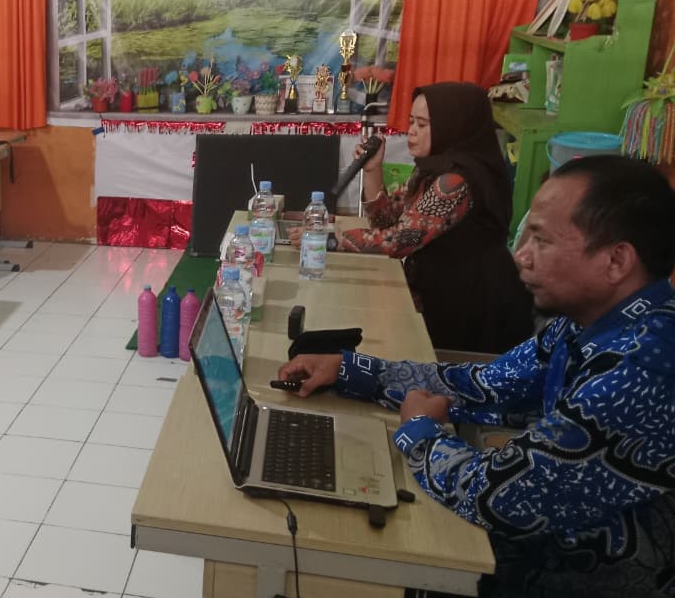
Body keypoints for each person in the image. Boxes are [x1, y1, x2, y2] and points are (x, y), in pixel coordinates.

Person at [277, 156, 675, 598]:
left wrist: (420, 432)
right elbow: (489, 385)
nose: (520, 255)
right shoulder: (590, 323)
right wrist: (353, 370)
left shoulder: (641, 367)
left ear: (617, 260)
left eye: (542, 240)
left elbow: (498, 495)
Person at [306, 82, 532, 354]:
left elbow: (401, 239)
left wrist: (332, 240)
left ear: (453, 126)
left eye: (422, 124)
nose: (411, 131)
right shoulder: (432, 169)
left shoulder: (455, 181)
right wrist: (373, 170)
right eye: (412, 121)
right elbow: (386, 221)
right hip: (444, 291)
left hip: (472, 303)